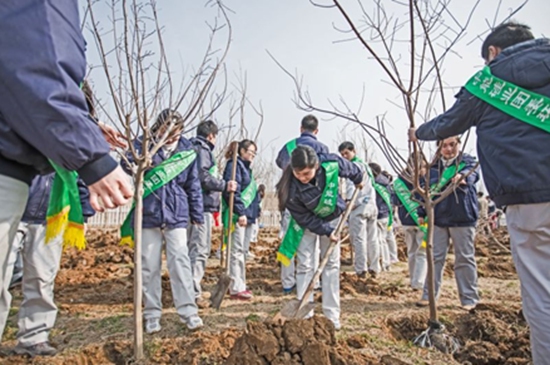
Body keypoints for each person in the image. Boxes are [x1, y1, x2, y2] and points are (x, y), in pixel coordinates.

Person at [409, 23, 550, 362]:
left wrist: (419, 132)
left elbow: (448, 123)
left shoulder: (488, 82)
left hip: (527, 197)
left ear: (492, 52)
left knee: (541, 292)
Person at [0, 2, 133, 341]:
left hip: (45, 206)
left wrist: (85, 129)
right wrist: (92, 157)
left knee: (42, 277)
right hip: (15, 180)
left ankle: (33, 337)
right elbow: (36, 73)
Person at [124, 109, 204, 334]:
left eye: (175, 132)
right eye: (165, 131)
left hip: (176, 214)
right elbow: (125, 163)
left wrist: (197, 214)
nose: (170, 137)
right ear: (158, 128)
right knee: (149, 265)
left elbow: (193, 185)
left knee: (180, 262)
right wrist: (140, 162)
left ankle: (189, 311)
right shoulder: (143, 144)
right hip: (148, 213)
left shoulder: (187, 151)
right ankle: (151, 313)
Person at [2, 174, 94, 356]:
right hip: (8, 212)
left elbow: (81, 173)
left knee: (42, 280)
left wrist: (83, 211)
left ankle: (34, 338)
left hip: (52, 217)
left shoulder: (69, 145)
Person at [276, 145, 363, 330]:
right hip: (308, 223)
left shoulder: (330, 163)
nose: (302, 178)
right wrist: (325, 230)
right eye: (298, 174)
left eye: (307, 174)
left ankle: (332, 315)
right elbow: (304, 218)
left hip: (333, 216)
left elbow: (353, 170)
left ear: (316, 165)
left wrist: (358, 179)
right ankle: (305, 315)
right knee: (306, 265)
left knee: (331, 264)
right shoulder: (290, 188)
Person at [412, 137, 480, 310]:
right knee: (434, 258)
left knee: (464, 258)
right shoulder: (433, 169)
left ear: (459, 145)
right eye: (444, 146)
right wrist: (421, 212)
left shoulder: (467, 163)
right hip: (439, 218)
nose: (449, 149)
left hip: (462, 217)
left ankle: (469, 299)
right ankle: (429, 296)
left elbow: (473, 175)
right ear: (439, 148)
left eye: (452, 145)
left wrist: (463, 178)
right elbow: (425, 193)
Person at [276, 114, 328, 293]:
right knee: (312, 246)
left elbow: (279, 163)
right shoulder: (322, 148)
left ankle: (287, 282)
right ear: (317, 131)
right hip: (313, 202)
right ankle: (313, 283)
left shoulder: (288, 147)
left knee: (289, 241)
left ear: (300, 128)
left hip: (291, 199)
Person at [188, 120, 237, 307]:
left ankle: (188, 289)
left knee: (190, 249)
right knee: (199, 250)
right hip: (200, 206)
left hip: (192, 205)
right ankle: (192, 293)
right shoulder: (202, 150)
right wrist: (225, 185)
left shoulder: (189, 148)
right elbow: (203, 177)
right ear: (211, 136)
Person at [222, 140, 259, 301]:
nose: (252, 155)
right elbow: (233, 192)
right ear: (242, 151)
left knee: (242, 252)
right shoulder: (234, 166)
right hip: (238, 216)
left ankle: (240, 283)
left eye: (254, 153)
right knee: (236, 252)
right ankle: (236, 287)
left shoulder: (246, 169)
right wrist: (240, 211)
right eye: (250, 151)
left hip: (248, 216)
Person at [338, 142, 378, 278]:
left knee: (359, 239)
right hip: (371, 205)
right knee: (373, 238)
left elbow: (351, 186)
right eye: (342, 155)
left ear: (353, 151)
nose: (344, 157)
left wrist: (349, 202)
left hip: (359, 205)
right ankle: (375, 266)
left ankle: (361, 269)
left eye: (346, 153)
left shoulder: (353, 166)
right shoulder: (365, 165)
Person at [393, 158, 428, 291]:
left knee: (412, 251)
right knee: (422, 252)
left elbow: (395, 200)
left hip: (406, 220)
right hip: (421, 221)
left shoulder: (399, 182)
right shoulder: (425, 181)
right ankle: (418, 282)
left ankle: (414, 279)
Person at [368, 163, 397, 273]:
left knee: (379, 240)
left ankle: (384, 263)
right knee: (384, 240)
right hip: (386, 214)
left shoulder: (375, 184)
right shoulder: (386, 182)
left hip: (379, 214)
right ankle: (387, 262)